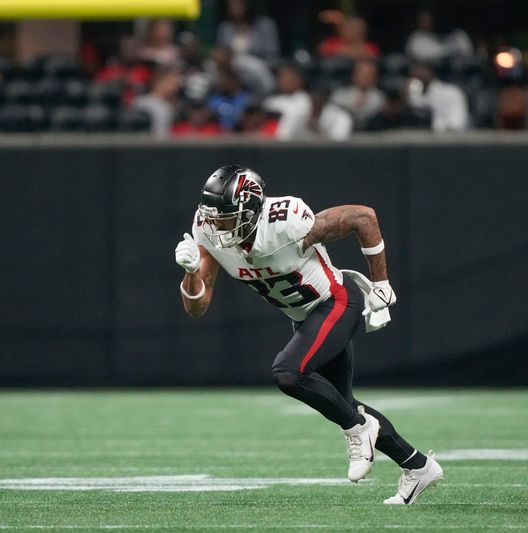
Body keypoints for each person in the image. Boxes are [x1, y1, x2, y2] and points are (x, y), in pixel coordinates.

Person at [174, 165, 443, 505]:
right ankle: (418, 466)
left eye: (224, 216)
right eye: (210, 216)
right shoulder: (209, 232)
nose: (215, 224)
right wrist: (189, 273)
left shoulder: (286, 221)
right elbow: (197, 307)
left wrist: (382, 283)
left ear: (251, 209)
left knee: (288, 372)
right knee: (345, 403)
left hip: (336, 302)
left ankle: (359, 429)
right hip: (305, 317)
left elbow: (363, 217)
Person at [407, 62, 470, 132]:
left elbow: (457, 123)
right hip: (434, 138)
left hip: (453, 138)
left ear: (430, 72)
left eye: (420, 71)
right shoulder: (426, 94)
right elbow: (417, 104)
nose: (417, 75)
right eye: (413, 74)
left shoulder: (451, 92)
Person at [330, 59, 385, 130]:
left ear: (375, 77)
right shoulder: (341, 95)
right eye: (362, 74)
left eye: (369, 75)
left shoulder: (380, 98)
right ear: (354, 75)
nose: (366, 78)